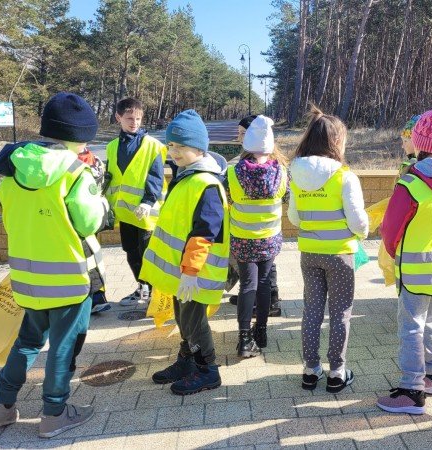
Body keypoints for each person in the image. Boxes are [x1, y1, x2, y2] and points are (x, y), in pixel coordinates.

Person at [0, 92, 109, 437]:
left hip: (27, 278)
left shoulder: (13, 171)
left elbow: (11, 219)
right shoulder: (75, 173)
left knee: (27, 341)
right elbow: (88, 223)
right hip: (69, 278)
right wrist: (100, 195)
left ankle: (0, 407)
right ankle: (54, 412)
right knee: (64, 344)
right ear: (82, 135)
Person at [378, 96, 432, 415]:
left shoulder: (411, 183)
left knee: (411, 326)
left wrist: (391, 254)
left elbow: (390, 230)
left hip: (415, 270)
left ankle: (412, 390)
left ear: (418, 142)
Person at [140, 110, 229, 396]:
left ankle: (208, 370)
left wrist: (190, 272)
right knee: (182, 317)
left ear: (199, 147)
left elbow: (205, 231)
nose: (173, 151)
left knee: (193, 320)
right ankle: (187, 360)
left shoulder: (206, 183)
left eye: (180, 146)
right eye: (170, 145)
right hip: (184, 272)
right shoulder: (187, 177)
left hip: (196, 272)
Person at [288, 106, 369, 393]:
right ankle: (336, 372)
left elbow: (294, 218)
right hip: (340, 255)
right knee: (340, 312)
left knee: (311, 310)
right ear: (336, 141)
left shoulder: (295, 173)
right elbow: (358, 220)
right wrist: (365, 231)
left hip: (309, 253)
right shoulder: (345, 176)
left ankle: (310, 370)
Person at [225, 115, 289, 357]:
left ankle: (244, 338)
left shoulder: (232, 173)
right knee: (264, 284)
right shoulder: (282, 173)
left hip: (242, 238)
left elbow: (227, 202)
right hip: (269, 238)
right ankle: (260, 331)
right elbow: (288, 200)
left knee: (247, 285)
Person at [105, 98, 167, 306]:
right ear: (118, 118)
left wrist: (148, 201)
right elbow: (110, 178)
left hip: (146, 213)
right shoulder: (112, 147)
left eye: (138, 118)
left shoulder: (153, 146)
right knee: (131, 252)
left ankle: (155, 293)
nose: (134, 123)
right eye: (130, 118)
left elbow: (156, 177)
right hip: (124, 213)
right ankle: (142, 288)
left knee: (148, 254)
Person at [76, 147, 113, 315]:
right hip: (92, 215)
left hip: (79, 218)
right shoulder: (94, 159)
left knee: (85, 257)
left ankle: (95, 298)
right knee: (90, 257)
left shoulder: (70, 160)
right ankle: (97, 297)